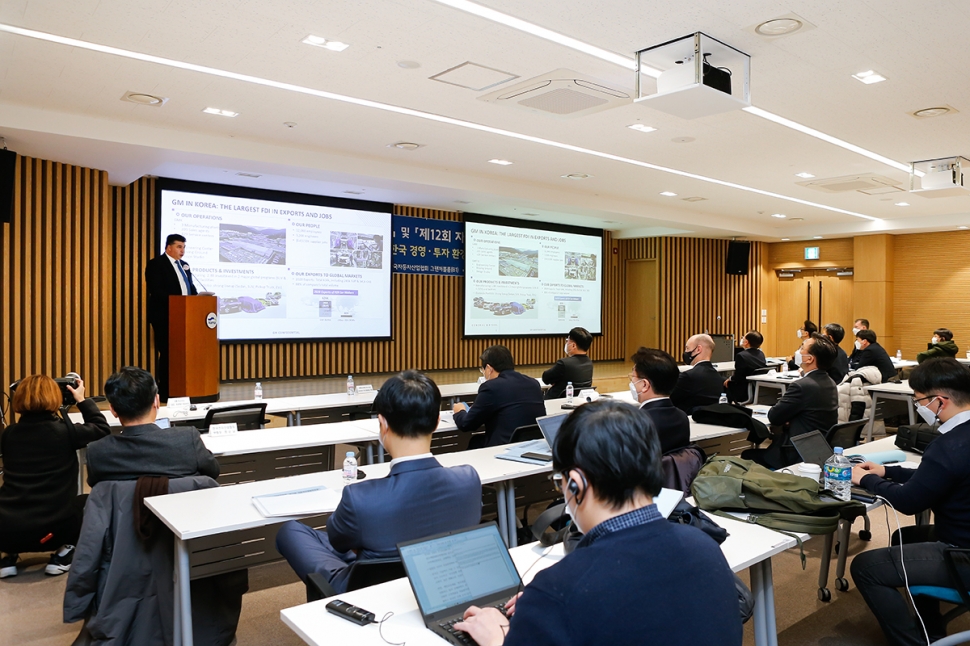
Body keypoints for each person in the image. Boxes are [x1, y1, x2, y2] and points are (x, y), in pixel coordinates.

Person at [454, 399, 742, 646]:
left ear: (576, 484)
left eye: (559, 482)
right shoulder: (705, 547)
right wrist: (544, 608)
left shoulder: (559, 589)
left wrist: (499, 637)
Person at [276, 371, 482, 593]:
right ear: (437, 422)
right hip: (442, 584)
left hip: (367, 591)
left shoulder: (360, 498)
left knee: (291, 531)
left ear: (382, 423)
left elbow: (337, 541)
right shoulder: (468, 480)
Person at [851, 358, 970, 645]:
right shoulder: (959, 441)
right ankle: (930, 627)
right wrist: (887, 471)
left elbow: (908, 501)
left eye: (919, 401)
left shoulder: (949, 445)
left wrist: (865, 480)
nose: (918, 408)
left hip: (963, 553)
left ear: (939, 401)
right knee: (905, 537)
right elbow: (939, 476)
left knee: (864, 567)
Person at [0, 376, 110, 579]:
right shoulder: (65, 432)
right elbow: (102, 428)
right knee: (90, 499)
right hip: (53, 533)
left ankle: (8, 555)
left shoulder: (8, 434)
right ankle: (63, 554)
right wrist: (81, 400)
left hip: (5, 530)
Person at [85, 367, 219, 485]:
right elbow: (213, 471)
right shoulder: (187, 439)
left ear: (113, 410)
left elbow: (99, 489)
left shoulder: (98, 452)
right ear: (156, 401)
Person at [741, 334, 839, 469]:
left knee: (747, 454)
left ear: (809, 359)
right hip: (818, 450)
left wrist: (788, 419)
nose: (798, 351)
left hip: (796, 453)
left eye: (802, 348)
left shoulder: (801, 386)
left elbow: (774, 417)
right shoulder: (830, 382)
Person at [453, 345, 546, 447]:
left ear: (489, 369)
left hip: (504, 448)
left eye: (483, 370)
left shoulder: (490, 387)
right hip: (534, 445)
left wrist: (460, 411)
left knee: (475, 442)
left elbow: (466, 424)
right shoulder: (533, 383)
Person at [145, 234, 198, 400]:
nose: (182, 251)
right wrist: (177, 303)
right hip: (164, 316)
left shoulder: (184, 265)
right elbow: (156, 290)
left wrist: (198, 298)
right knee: (168, 353)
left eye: (184, 247)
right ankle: (166, 391)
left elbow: (190, 288)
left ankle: (182, 387)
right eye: (179, 247)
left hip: (185, 317)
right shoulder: (156, 264)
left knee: (183, 354)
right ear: (168, 248)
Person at [629, 347, 690, 454]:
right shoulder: (682, 417)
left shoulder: (635, 423)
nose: (631, 382)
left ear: (644, 385)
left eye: (633, 377)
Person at [669, 334, 723, 414]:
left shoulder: (687, 377)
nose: (685, 352)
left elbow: (668, 400)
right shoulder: (719, 378)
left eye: (687, 348)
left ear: (698, 349)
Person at [541, 327, 593, 399]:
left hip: (557, 401)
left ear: (573, 345)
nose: (566, 343)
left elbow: (546, 378)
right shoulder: (589, 363)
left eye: (568, 341)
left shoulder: (564, 363)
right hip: (578, 401)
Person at [724, 330, 767, 404]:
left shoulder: (741, 355)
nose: (742, 339)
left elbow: (738, 376)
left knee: (723, 380)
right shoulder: (761, 354)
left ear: (746, 342)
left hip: (743, 390)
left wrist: (730, 379)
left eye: (743, 337)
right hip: (756, 388)